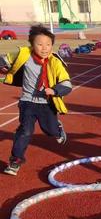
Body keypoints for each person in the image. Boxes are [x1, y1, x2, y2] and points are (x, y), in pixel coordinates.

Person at [1, 25, 71, 176]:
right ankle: (15, 161)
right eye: (39, 44)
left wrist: (55, 90)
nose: (44, 48)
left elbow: (66, 83)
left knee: (49, 130)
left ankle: (57, 129)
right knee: (24, 131)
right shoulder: (23, 55)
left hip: (46, 103)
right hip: (27, 102)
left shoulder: (55, 62)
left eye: (48, 44)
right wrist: (3, 66)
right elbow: (5, 60)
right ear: (32, 45)